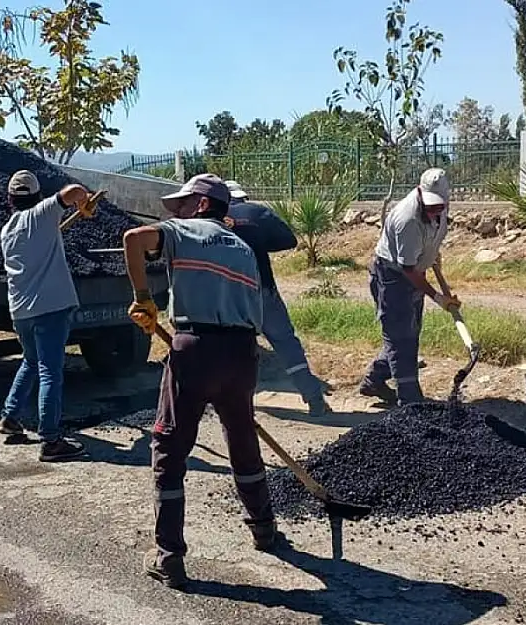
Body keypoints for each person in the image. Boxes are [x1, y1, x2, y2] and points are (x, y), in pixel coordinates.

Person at [123, 173, 277, 590]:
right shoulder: (244, 248)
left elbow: (134, 239)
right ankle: (264, 529)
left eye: (185, 203)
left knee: (169, 450)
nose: (179, 211)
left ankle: (168, 557)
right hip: (243, 353)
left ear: (203, 205)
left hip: (196, 349)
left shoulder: (184, 231)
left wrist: (142, 297)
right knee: (242, 440)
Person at [0, 170, 94, 462]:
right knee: (50, 371)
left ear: (10, 200)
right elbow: (75, 189)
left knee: (31, 361)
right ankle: (50, 440)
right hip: (49, 308)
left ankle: (10, 417)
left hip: (21, 311)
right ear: (38, 195)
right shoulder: (43, 214)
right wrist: (84, 204)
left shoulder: (7, 230)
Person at [223, 180, 333, 417]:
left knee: (235, 348)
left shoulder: (210, 219)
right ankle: (314, 399)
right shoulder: (257, 212)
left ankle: (238, 404)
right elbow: (289, 240)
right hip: (262, 290)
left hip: (227, 296)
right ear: (243, 196)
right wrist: (259, 241)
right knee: (285, 342)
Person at [359, 167, 461, 406]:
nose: (434, 209)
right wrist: (438, 297)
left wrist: (432, 253)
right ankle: (411, 404)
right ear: (419, 191)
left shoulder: (440, 208)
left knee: (408, 334)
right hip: (393, 278)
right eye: (430, 204)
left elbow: (431, 237)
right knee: (400, 338)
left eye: (440, 205)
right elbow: (408, 270)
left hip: (415, 271)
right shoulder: (407, 219)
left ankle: (374, 380)